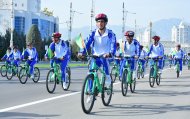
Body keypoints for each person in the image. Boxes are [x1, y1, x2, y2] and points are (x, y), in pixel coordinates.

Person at [79, 13, 116, 88]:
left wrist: (110, 53)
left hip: (106, 56)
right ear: (96, 23)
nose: (100, 23)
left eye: (102, 21)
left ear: (105, 23)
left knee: (106, 72)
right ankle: (90, 92)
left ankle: (108, 84)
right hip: (95, 56)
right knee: (90, 72)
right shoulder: (93, 33)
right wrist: (81, 52)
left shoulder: (110, 34)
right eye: (98, 22)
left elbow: (113, 44)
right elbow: (87, 43)